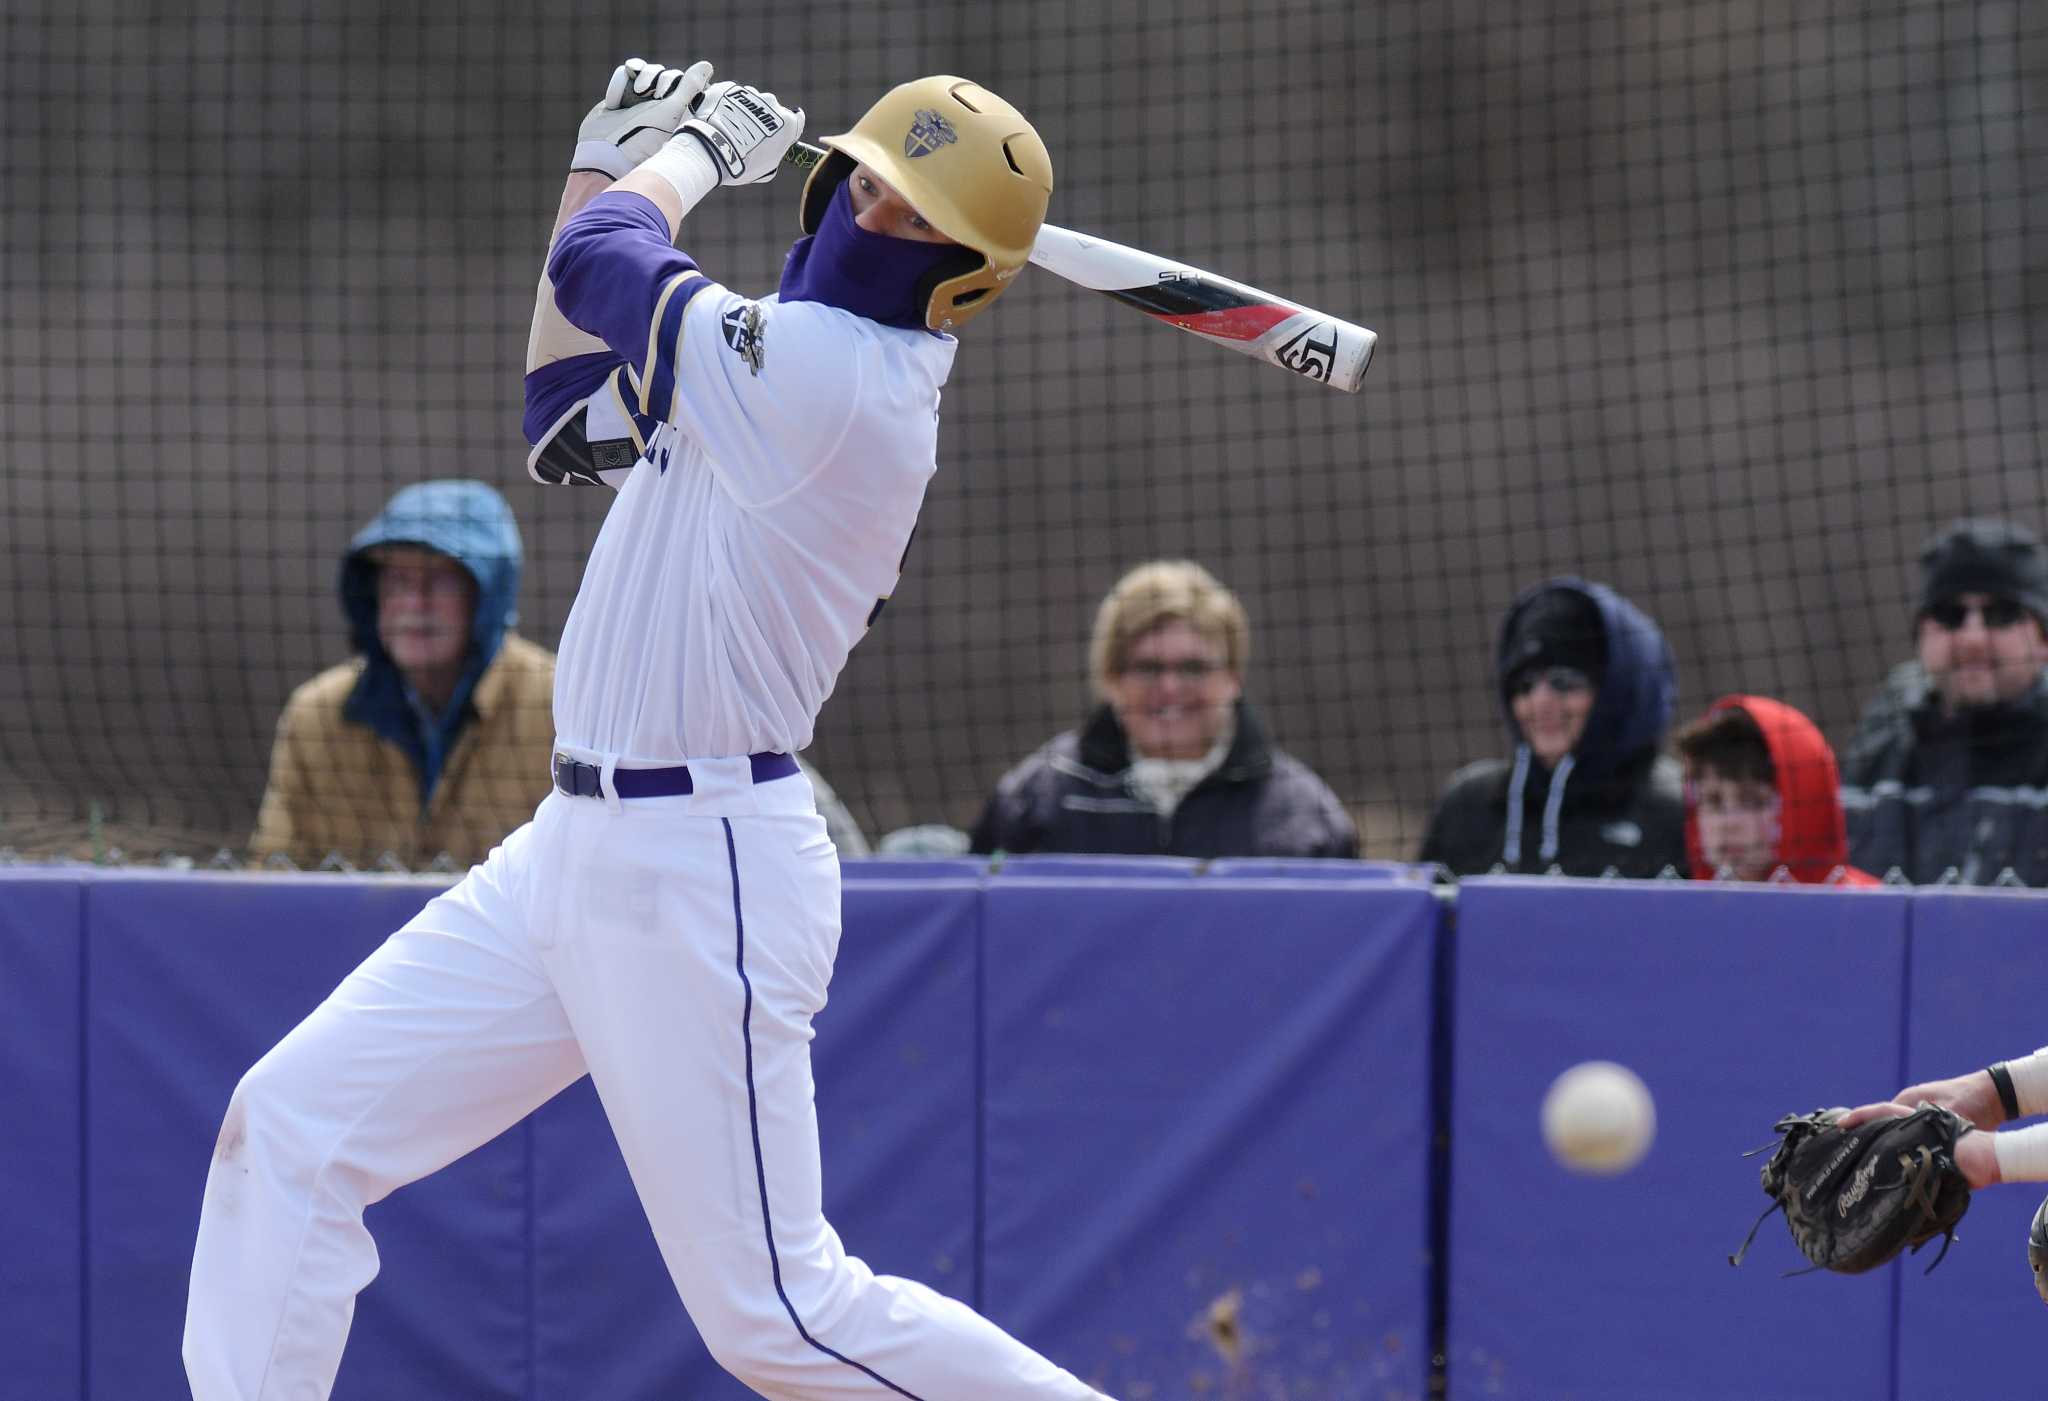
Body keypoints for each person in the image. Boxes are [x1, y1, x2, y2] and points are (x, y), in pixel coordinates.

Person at [185, 60, 1112, 1399]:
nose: (865, 207)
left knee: (780, 1316)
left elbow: (612, 253)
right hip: (572, 848)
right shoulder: (769, 354)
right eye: (864, 176)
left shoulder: (837, 378)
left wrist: (682, 157)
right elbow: (562, 418)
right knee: (293, 1127)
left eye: (908, 210)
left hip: (704, 862)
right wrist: (608, 153)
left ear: (963, 271)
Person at [248, 479, 555, 870]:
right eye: (398, 581)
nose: (414, 603)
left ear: (486, 597)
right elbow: (272, 876)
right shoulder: (317, 715)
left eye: (441, 581)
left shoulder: (561, 709)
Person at [969, 560, 1358, 860]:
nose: (1169, 688)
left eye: (1193, 668)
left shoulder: (1303, 816)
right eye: (1148, 668)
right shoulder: (1037, 800)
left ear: (1232, 679)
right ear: (1112, 678)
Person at [1419, 576, 1687, 878]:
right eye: (1524, 685)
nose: (1540, 702)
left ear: (1617, 692)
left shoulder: (1675, 808)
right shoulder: (1469, 805)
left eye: (1564, 682)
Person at [1840, 517, 2048, 886]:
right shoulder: (1872, 760)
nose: (1973, 638)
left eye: (2000, 614)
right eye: (1949, 615)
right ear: (1921, 633)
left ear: (2043, 638)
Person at [1672, 695, 1878, 886]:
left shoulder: (1869, 908)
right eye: (1713, 801)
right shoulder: (1683, 915)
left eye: (1753, 802)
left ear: (1805, 806)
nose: (1728, 823)